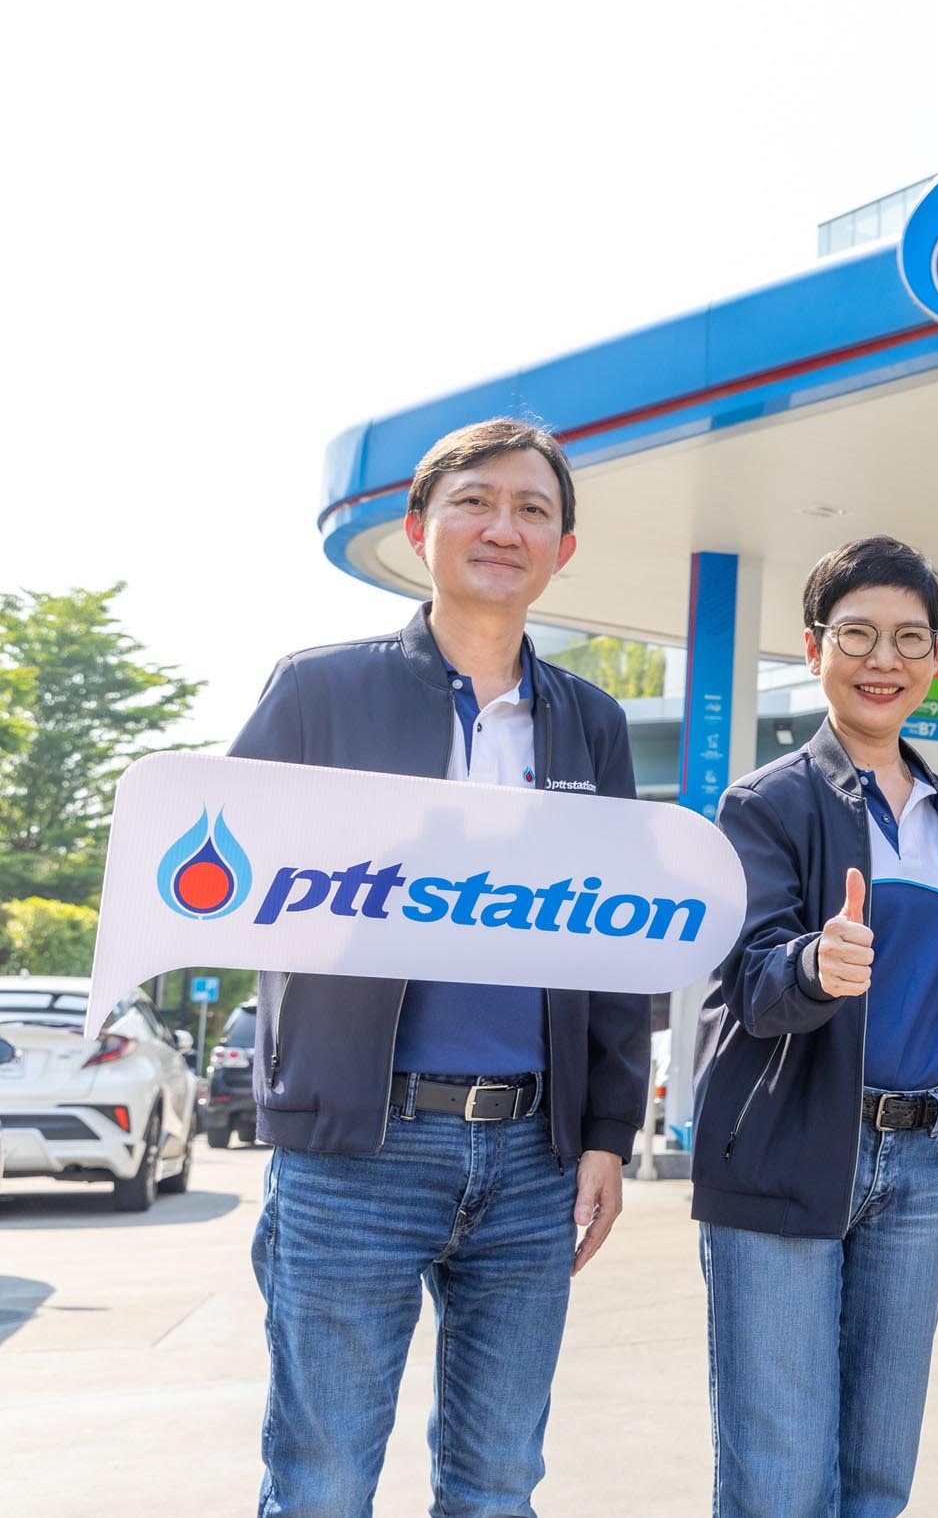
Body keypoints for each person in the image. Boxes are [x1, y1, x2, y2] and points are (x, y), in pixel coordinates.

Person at [230, 417, 650, 1517]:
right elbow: (228, 886)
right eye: (475, 501)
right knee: (322, 1482)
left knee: (498, 1483)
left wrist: (608, 1132)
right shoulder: (318, 691)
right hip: (354, 1153)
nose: (503, 527)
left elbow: (618, 949)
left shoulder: (591, 723)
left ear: (563, 549)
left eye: (532, 510)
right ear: (419, 528)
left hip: (532, 1159)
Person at [690, 535, 938, 1518]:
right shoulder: (767, 803)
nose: (884, 659)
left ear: (936, 659)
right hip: (788, 1154)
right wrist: (812, 966)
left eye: (910, 638)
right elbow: (746, 981)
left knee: (877, 1475)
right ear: (813, 646)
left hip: (924, 1170)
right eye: (857, 633)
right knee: (781, 1478)